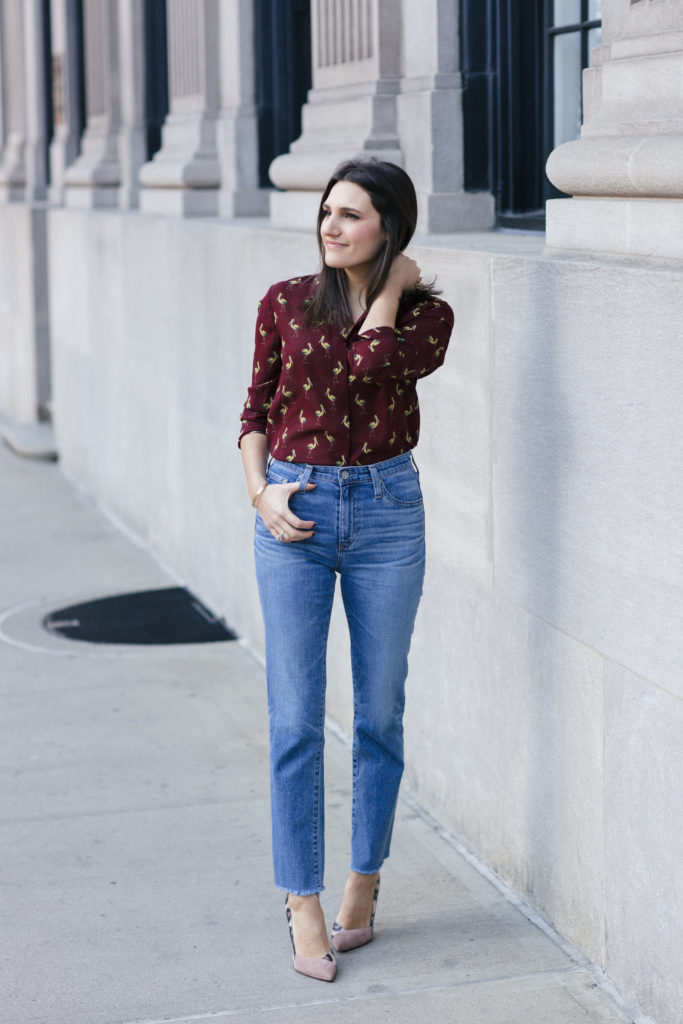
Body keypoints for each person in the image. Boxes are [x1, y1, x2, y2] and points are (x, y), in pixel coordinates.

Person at [239, 159, 453, 982]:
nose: (330, 226)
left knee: (378, 714)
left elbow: (371, 367)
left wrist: (391, 289)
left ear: (388, 228)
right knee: (294, 718)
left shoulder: (427, 318)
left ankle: (364, 881)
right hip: (294, 512)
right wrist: (261, 495)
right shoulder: (286, 301)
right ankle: (301, 899)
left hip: (388, 514)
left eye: (352, 215)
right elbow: (254, 411)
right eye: (327, 211)